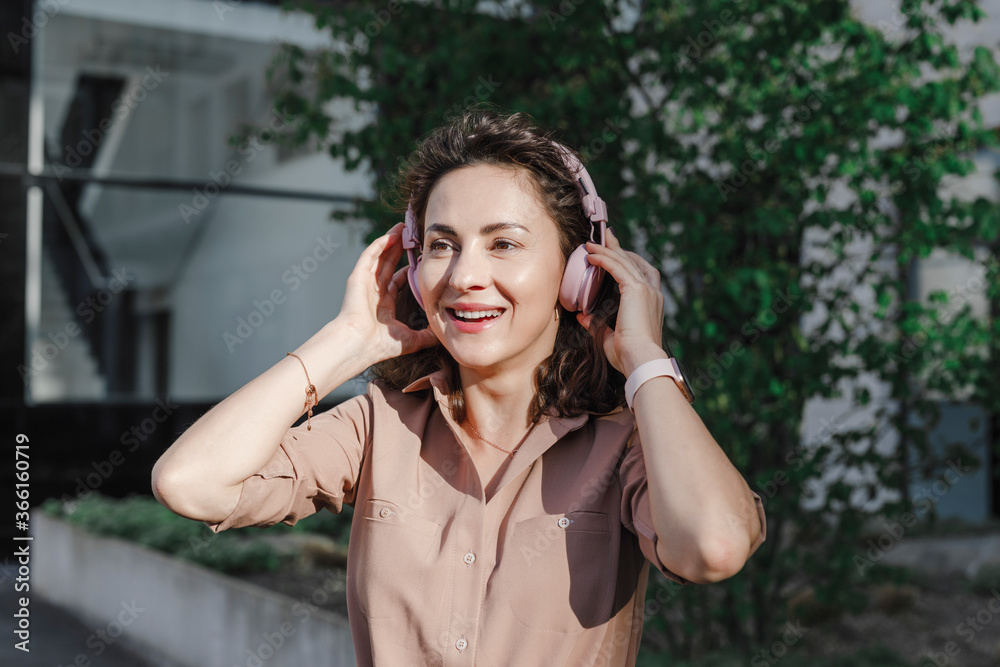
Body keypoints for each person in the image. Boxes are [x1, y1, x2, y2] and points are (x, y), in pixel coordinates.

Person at [151, 109, 766, 666]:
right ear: (416, 275)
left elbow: (713, 547)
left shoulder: (627, 443)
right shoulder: (377, 426)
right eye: (443, 246)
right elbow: (191, 483)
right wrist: (346, 340)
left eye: (504, 244)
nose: (466, 275)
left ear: (580, 272)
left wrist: (644, 360)